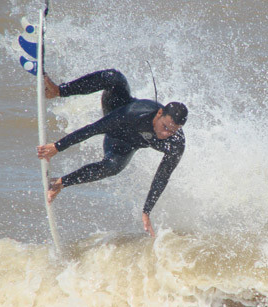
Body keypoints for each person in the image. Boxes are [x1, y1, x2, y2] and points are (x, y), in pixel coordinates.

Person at [37, 69, 188, 237]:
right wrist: (57, 147)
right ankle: (58, 90)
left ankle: (59, 183)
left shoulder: (175, 144)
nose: (166, 134)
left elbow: (162, 176)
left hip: (123, 144)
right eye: (165, 127)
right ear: (160, 113)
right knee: (114, 78)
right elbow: (93, 129)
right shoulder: (136, 113)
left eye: (172, 131)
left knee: (113, 166)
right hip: (117, 110)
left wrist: (146, 211)